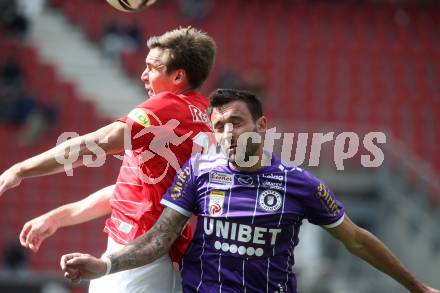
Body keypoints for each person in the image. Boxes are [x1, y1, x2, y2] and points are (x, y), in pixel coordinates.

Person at [60, 89, 439, 293]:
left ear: (261, 125)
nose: (228, 132)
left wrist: (416, 286)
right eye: (220, 125)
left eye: (236, 122)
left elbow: (355, 240)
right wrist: (105, 265)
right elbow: (159, 239)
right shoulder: (198, 171)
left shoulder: (299, 183)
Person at [0, 27, 216, 293]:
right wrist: (59, 217)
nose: (143, 75)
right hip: (150, 254)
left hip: (141, 256)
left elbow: (97, 144)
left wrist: (21, 169)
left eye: (152, 68)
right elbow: (132, 192)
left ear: (178, 76)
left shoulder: (167, 108)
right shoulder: (203, 113)